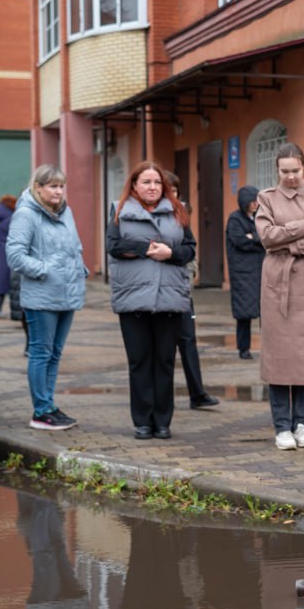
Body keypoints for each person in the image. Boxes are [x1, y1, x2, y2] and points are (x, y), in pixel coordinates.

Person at [107, 161, 197, 440]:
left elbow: (190, 249)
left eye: (157, 182)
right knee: (139, 361)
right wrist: (146, 249)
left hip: (169, 298)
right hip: (133, 298)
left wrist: (170, 253)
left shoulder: (178, 210)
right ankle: (142, 421)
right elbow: (114, 246)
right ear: (134, 185)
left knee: (165, 362)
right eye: (146, 182)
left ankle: (163, 421)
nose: (152, 187)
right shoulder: (120, 210)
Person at [256, 143, 304, 450]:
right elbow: (266, 237)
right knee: (279, 356)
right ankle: (281, 426)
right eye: (284, 171)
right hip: (277, 283)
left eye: (295, 170)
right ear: (277, 170)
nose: (290, 176)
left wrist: (289, 242)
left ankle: (301, 423)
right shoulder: (267, 198)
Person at [7, 165, 87, 431]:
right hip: (42, 296)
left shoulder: (66, 212)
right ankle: (40, 411)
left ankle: (49, 406)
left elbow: (74, 248)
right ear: (38, 187)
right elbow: (15, 256)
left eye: (62, 186)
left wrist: (79, 268)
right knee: (41, 353)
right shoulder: (26, 214)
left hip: (67, 293)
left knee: (55, 353)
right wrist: (45, 270)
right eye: (53, 186)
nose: (59, 191)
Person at [163, 169, 220, 410]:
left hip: (183, 291)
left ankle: (197, 393)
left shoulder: (182, 216)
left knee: (188, 341)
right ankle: (163, 399)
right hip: (161, 294)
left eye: (176, 191)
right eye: (169, 190)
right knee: (164, 348)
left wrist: (190, 268)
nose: (173, 195)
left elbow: (190, 249)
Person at [225, 184, 265, 360]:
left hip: (260, 270)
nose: (255, 204)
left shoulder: (259, 218)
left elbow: (267, 237)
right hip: (242, 273)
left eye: (257, 201)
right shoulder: (235, 219)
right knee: (244, 313)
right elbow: (240, 241)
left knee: (266, 311)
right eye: (252, 201)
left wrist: (253, 237)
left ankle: (268, 347)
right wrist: (257, 239)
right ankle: (243, 348)